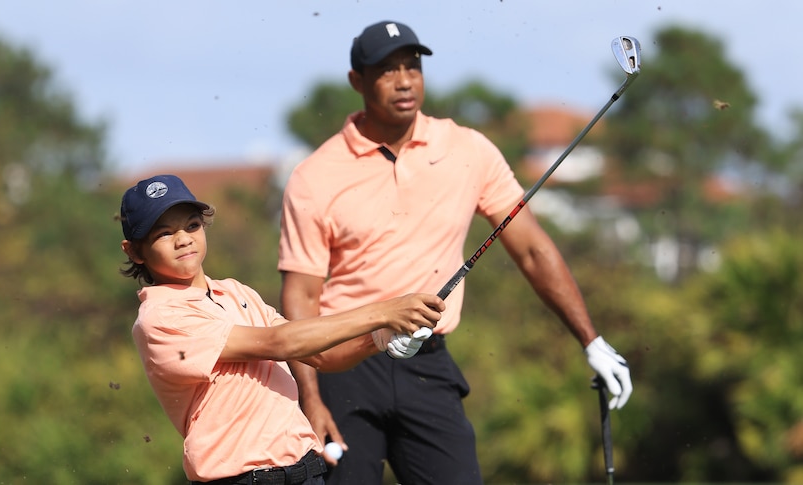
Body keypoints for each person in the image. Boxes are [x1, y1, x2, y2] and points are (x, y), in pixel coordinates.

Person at [277, 20, 633, 485]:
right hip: (345, 366)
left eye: (412, 66)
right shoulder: (315, 175)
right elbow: (301, 299)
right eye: (386, 70)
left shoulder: (468, 150)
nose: (404, 80)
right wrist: (311, 396)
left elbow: (530, 249)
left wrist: (591, 339)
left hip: (427, 361)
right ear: (357, 81)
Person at [118, 174, 445, 484]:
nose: (183, 239)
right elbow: (280, 342)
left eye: (191, 225)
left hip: (306, 470)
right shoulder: (160, 317)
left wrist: (378, 338)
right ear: (134, 250)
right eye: (163, 233)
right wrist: (384, 312)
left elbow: (319, 354)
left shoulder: (235, 292)